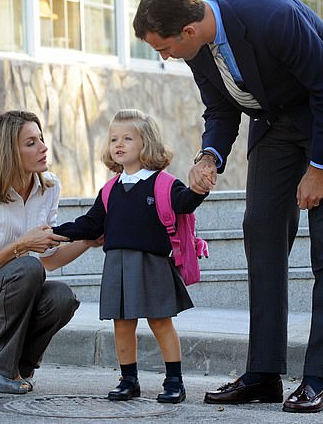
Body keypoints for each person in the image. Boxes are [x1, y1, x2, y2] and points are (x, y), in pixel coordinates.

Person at [133, 0, 323, 413]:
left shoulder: (270, 16)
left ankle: (317, 379)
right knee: (261, 231)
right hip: (276, 123)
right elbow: (220, 107)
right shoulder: (196, 48)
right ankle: (264, 373)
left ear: (190, 30)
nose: (165, 56)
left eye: (165, 47)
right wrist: (209, 155)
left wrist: (319, 169)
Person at [53, 109, 207, 404]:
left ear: (146, 143)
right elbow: (90, 224)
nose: (118, 144)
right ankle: (128, 380)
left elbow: (185, 202)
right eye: (113, 139)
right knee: (121, 324)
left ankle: (174, 381)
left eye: (127, 138)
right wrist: (56, 233)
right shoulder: (109, 190)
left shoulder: (164, 184)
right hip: (117, 265)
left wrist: (200, 188)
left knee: (161, 322)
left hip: (153, 264)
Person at [0, 110, 96, 394]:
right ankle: (0, 364)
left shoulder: (48, 186)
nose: (43, 147)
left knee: (62, 298)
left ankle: (20, 367)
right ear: (8, 152)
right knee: (27, 268)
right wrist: (21, 246)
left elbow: (48, 261)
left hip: (17, 294)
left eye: (41, 139)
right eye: (31, 143)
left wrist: (87, 241)